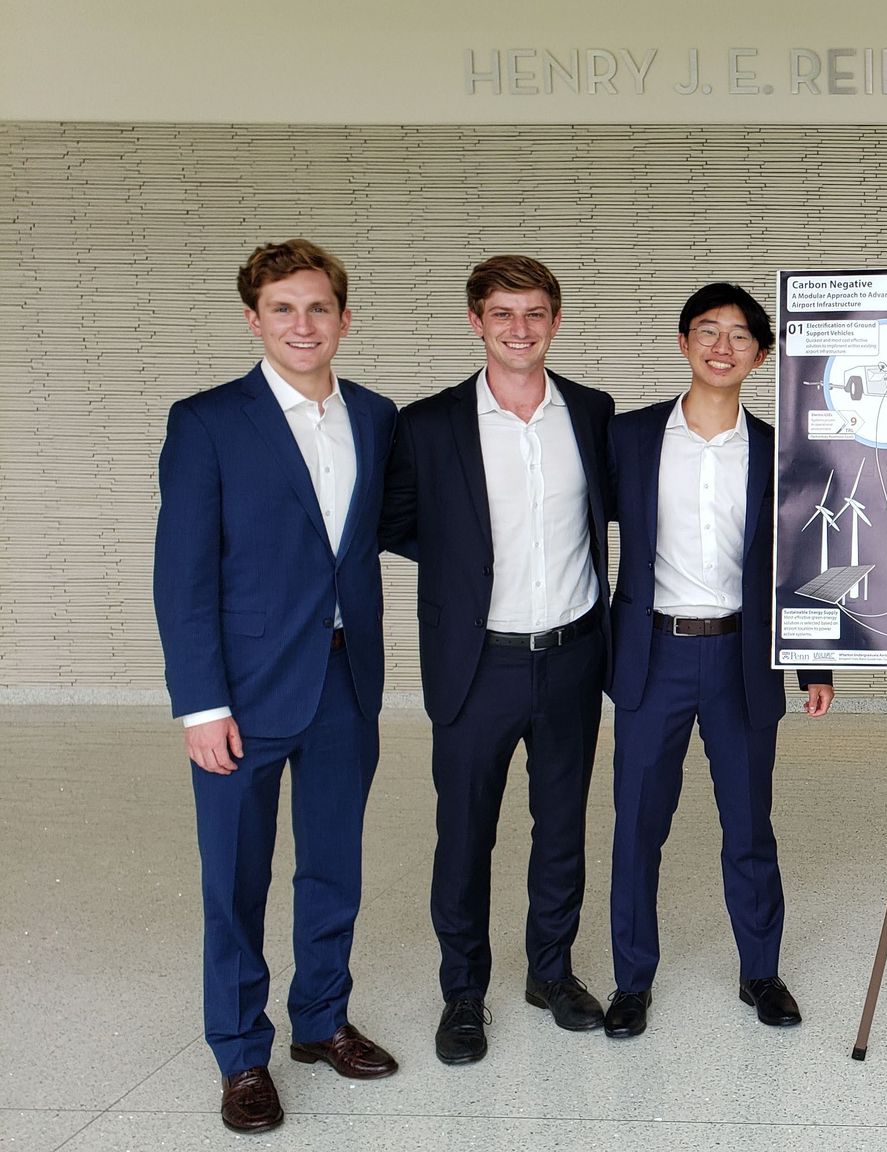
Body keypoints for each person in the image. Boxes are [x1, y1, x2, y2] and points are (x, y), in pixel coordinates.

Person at [153, 240, 399, 1133]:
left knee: (333, 866)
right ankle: (240, 1053)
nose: (304, 324)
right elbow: (181, 575)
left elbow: (394, 528)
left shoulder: (374, 416)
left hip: (343, 680)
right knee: (236, 880)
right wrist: (201, 703)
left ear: (344, 317)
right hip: (243, 693)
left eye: (319, 307)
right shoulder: (209, 421)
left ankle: (322, 1020)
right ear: (254, 318)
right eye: (284, 309)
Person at [381, 256, 616, 1064]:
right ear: (476, 322)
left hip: (574, 655)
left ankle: (550, 971)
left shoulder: (590, 410)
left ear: (555, 322)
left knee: (561, 829)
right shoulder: (429, 424)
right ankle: (463, 992)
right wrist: (463, 565)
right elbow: (398, 521)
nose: (521, 328)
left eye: (536, 313)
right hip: (477, 661)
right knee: (465, 833)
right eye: (504, 314)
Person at [601, 283, 834, 1038]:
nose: (722, 345)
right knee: (637, 826)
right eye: (707, 330)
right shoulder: (629, 438)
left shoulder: (781, 452)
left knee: (749, 826)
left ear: (761, 356)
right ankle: (631, 981)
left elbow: (804, 558)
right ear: (683, 342)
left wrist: (814, 665)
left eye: (739, 335)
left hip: (742, 658)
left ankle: (760, 973)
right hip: (652, 654)